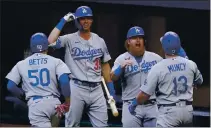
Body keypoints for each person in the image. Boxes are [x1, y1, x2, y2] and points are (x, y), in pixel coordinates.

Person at [48, 6, 116, 127]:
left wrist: (111, 89)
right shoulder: (69, 39)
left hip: (96, 88)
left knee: (102, 125)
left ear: (92, 20)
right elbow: (50, 41)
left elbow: (105, 66)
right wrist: (62, 21)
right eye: (82, 18)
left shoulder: (99, 40)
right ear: (77, 21)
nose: (86, 21)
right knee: (72, 125)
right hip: (76, 87)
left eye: (88, 18)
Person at [129, 31, 203, 127]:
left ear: (164, 48)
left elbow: (144, 94)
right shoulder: (191, 64)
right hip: (187, 111)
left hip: (169, 113)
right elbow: (199, 81)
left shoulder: (158, 67)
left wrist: (133, 104)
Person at [6, 33, 71, 127]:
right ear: (46, 46)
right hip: (55, 104)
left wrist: (24, 96)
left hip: (37, 105)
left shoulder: (21, 64)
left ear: (31, 47)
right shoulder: (56, 61)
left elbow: (10, 86)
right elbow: (65, 82)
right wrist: (67, 102)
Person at [110, 26, 163, 127]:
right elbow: (112, 77)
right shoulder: (122, 59)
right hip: (130, 105)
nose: (138, 40)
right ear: (129, 41)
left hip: (152, 104)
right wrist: (120, 68)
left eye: (141, 38)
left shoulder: (155, 58)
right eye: (134, 38)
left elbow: (167, 73)